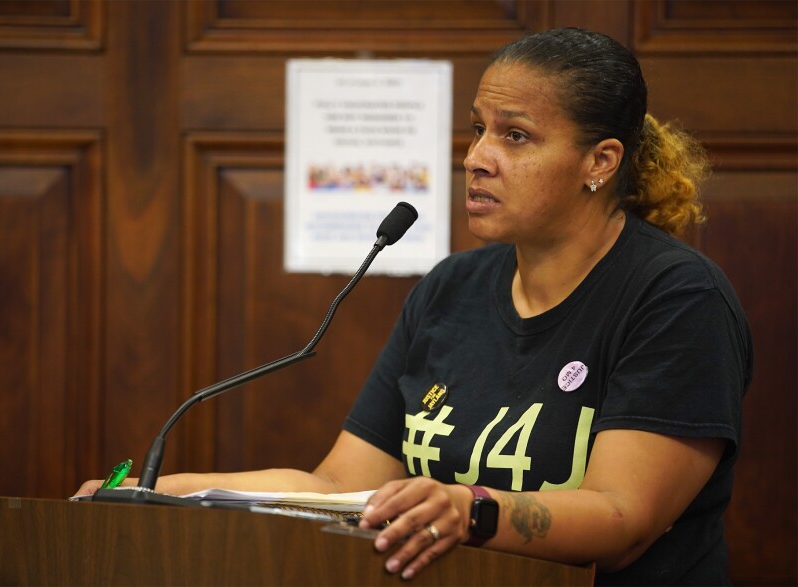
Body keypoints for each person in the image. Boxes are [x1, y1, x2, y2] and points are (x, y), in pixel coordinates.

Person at [76, 28, 752, 585]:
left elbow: (621, 521)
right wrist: (165, 492)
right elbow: (341, 482)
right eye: (479, 130)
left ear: (599, 161)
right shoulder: (450, 288)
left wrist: (471, 509)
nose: (476, 158)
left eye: (515, 136)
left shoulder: (675, 299)